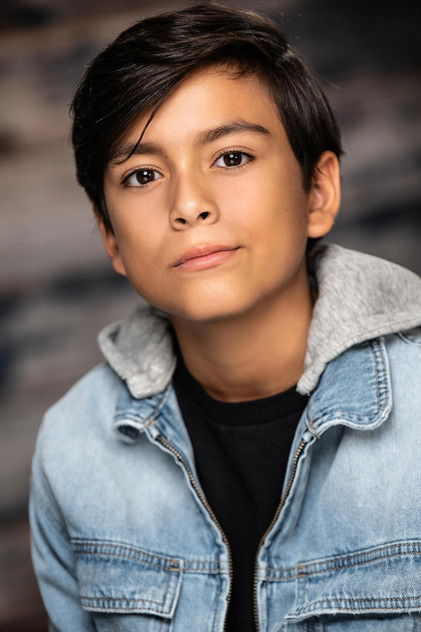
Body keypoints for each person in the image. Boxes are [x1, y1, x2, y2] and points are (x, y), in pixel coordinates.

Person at [29, 2, 421, 631]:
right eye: (143, 174)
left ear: (317, 192)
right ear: (111, 237)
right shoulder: (74, 445)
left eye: (231, 157)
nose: (189, 204)